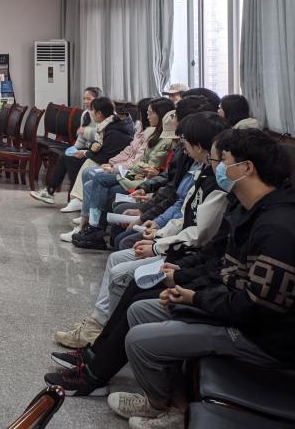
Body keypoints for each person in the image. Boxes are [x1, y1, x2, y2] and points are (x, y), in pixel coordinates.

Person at [110, 129, 295, 429]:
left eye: (224, 161)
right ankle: (172, 401)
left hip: (260, 337)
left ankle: (165, 408)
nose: (217, 167)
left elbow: (257, 307)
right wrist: (186, 284)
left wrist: (196, 298)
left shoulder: (277, 228)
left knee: (139, 342)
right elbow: (222, 265)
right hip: (235, 311)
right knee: (141, 310)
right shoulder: (250, 210)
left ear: (247, 168)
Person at [53, 111, 228, 348]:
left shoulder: (213, 181)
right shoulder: (201, 170)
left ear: (200, 145)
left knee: (121, 266)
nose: (182, 146)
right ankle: (97, 322)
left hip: (183, 252)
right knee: (116, 256)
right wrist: (156, 228)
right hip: (171, 236)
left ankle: (102, 330)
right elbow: (183, 210)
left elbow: (197, 230)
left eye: (184, 141)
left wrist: (156, 240)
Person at [71, 98, 175, 246]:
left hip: (138, 177)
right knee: (92, 182)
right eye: (146, 113)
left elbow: (147, 166)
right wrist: (113, 163)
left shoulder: (163, 139)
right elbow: (133, 154)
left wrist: (116, 168)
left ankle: (94, 227)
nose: (147, 117)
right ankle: (89, 224)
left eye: (150, 113)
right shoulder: (150, 133)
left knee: (99, 179)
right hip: (134, 173)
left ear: (161, 114)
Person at [29, 87, 102, 207]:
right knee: (65, 156)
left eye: (89, 99)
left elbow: (101, 134)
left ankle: (75, 198)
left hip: (98, 151)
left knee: (71, 160)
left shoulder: (102, 114)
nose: (86, 102)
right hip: (86, 149)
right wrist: (75, 148)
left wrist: (86, 131)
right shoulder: (86, 114)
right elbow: (81, 138)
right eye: (84, 99)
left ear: (98, 99)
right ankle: (50, 192)